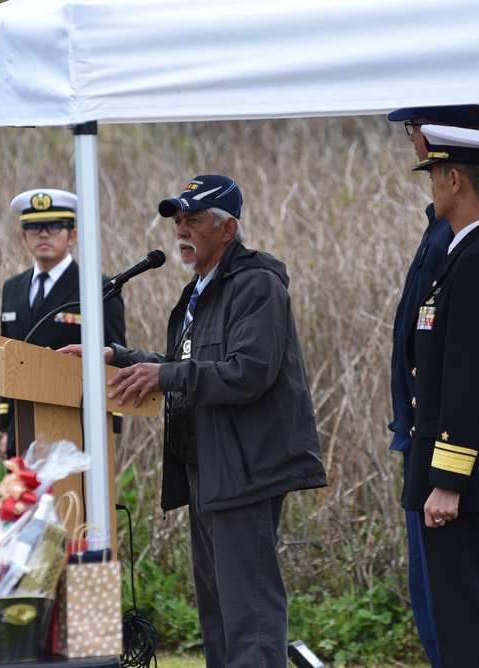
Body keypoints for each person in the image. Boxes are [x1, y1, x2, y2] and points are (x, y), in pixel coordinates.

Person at [61, 174, 327, 668]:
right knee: (218, 615)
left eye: (195, 221)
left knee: (250, 613)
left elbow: (248, 372)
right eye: (178, 221)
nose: (182, 232)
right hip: (207, 467)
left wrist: (165, 375)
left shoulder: (256, 284)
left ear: (228, 230)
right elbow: (183, 362)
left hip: (245, 470)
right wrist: (118, 357)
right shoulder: (199, 290)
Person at [385, 105, 479, 667]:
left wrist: (447, 479)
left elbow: (473, 379)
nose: (430, 184)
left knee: (474, 631)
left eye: (432, 174)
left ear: (454, 178)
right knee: (459, 623)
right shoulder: (464, 251)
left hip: (464, 485)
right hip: (453, 476)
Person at [0, 188, 126, 457]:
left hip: (76, 424)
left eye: (54, 227)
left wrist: (108, 425)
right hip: (23, 421)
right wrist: (6, 425)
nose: (43, 235)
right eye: (34, 228)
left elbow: (114, 356)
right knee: (21, 499)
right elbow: (8, 358)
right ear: (23, 236)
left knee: (74, 500)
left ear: (72, 235)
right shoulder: (12, 287)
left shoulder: (97, 286)